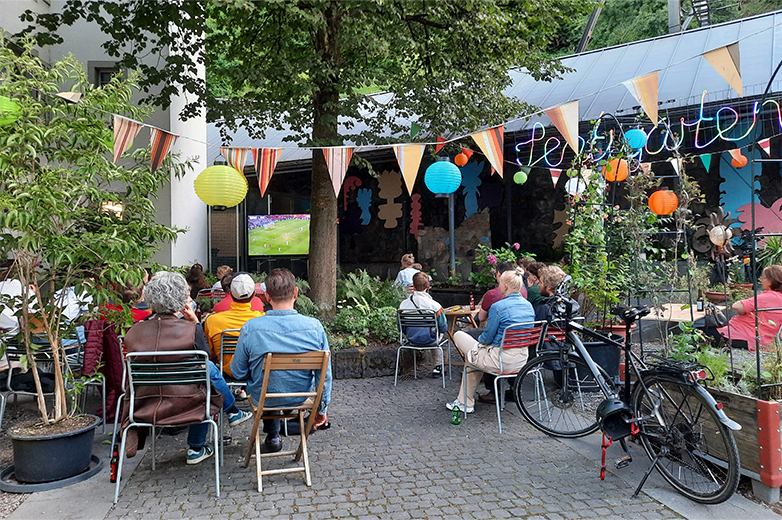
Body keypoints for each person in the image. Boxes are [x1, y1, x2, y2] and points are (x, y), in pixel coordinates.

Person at [120, 271, 252, 465]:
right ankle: (200, 443)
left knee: (204, 373)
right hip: (189, 404)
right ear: (182, 299)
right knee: (205, 375)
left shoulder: (134, 331)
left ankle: (230, 414)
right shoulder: (191, 331)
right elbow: (206, 358)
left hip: (145, 405)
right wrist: (196, 324)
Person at [232, 268, 331, 454]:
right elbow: (324, 376)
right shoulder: (315, 328)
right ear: (296, 293)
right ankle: (281, 432)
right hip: (299, 397)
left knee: (268, 384)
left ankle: (273, 436)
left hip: (263, 397)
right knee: (275, 383)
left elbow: (237, 372)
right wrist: (321, 409)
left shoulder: (251, 328)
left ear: (267, 297)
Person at [446, 268, 535, 413]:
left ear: (505, 286)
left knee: (459, 336)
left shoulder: (498, 307)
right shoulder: (528, 306)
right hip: (522, 360)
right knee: (472, 359)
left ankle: (465, 403)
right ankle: (464, 402)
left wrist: (478, 343)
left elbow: (486, 338)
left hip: (500, 360)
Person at [204, 273, 264, 378]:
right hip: (256, 371)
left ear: (230, 294)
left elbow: (210, 353)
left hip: (227, 373)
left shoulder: (212, 320)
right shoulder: (263, 319)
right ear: (254, 294)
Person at [714, 265, 782, 351]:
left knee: (703, 332)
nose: (760, 280)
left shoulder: (768, 297)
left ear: (771, 281)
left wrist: (745, 311)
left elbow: (737, 306)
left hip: (744, 335)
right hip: (766, 340)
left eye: (763, 277)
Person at [398, 272, 448, 377]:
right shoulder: (435, 306)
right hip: (431, 340)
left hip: (411, 339)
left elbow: (400, 327)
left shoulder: (403, 305)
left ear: (413, 285)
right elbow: (443, 327)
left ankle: (437, 366)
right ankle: (438, 367)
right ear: (428, 285)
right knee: (436, 333)